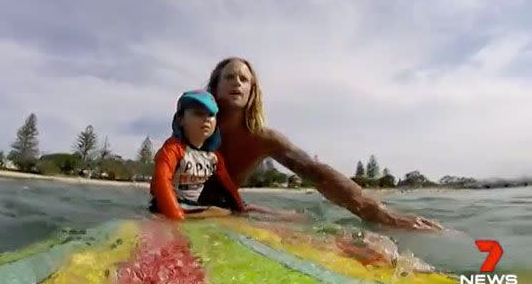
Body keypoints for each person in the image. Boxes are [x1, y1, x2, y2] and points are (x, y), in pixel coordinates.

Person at [198, 57, 442, 231]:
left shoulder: (264, 138)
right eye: (229, 77)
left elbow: (315, 172)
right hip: (190, 206)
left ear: (252, 92)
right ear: (215, 86)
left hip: (229, 208)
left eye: (244, 79)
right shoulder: (193, 128)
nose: (237, 82)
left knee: (303, 223)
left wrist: (379, 213)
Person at [150, 89, 245, 221]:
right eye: (198, 113)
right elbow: (160, 181)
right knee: (220, 213)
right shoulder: (172, 149)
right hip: (167, 206)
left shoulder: (214, 157)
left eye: (211, 115)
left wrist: (241, 208)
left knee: (228, 211)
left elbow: (228, 187)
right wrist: (176, 217)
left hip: (193, 206)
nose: (206, 119)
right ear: (180, 119)